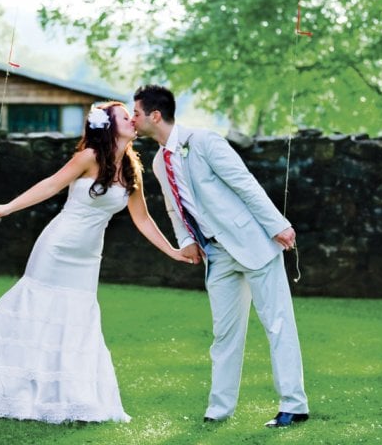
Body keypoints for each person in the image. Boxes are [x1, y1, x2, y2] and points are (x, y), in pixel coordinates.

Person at [0, 101, 196, 424]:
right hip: (56, 248)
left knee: (76, 321)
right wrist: (7, 207)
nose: (132, 121)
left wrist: (172, 251)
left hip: (87, 258)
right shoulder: (88, 157)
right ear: (110, 127)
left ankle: (66, 396)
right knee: (34, 311)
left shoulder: (131, 169)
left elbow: (142, 219)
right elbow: (51, 185)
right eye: (125, 117)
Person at [132, 85, 309, 429]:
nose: (132, 119)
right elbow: (173, 207)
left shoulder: (205, 142)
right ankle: (219, 409)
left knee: (278, 323)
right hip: (216, 255)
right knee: (224, 334)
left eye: (136, 113)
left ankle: (294, 404)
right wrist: (186, 240)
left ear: (155, 115)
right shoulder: (157, 162)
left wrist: (278, 224)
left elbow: (245, 184)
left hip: (253, 243)